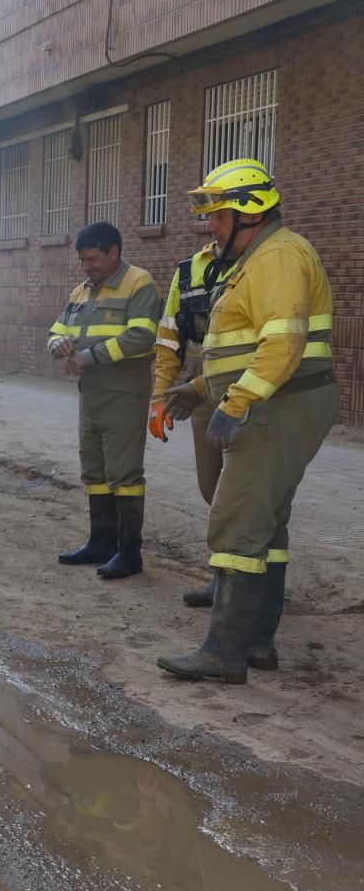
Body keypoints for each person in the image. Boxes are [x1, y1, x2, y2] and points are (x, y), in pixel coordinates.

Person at [158, 158, 337, 683]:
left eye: (218, 215)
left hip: (276, 404)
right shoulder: (259, 257)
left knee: (236, 520)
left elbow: (283, 342)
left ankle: (224, 652)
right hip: (281, 399)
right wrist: (198, 388)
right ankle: (257, 642)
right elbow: (247, 345)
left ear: (249, 211)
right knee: (266, 524)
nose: (210, 226)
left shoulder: (276, 255)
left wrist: (234, 405)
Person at [48, 222, 163, 580]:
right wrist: (58, 346)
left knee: (124, 472)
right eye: (83, 261)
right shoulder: (81, 291)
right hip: (92, 393)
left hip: (124, 390)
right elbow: (57, 330)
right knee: (94, 468)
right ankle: (101, 542)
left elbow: (143, 336)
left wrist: (88, 356)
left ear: (114, 251)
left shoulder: (139, 283)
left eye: (93, 259)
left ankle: (129, 553)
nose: (87, 267)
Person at [149, 240, 228, 607]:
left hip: (257, 385)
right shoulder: (188, 269)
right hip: (202, 387)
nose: (211, 223)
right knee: (211, 486)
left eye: (218, 213)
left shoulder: (262, 258)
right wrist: (159, 397)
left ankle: (251, 583)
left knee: (253, 491)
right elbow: (168, 340)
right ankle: (226, 576)